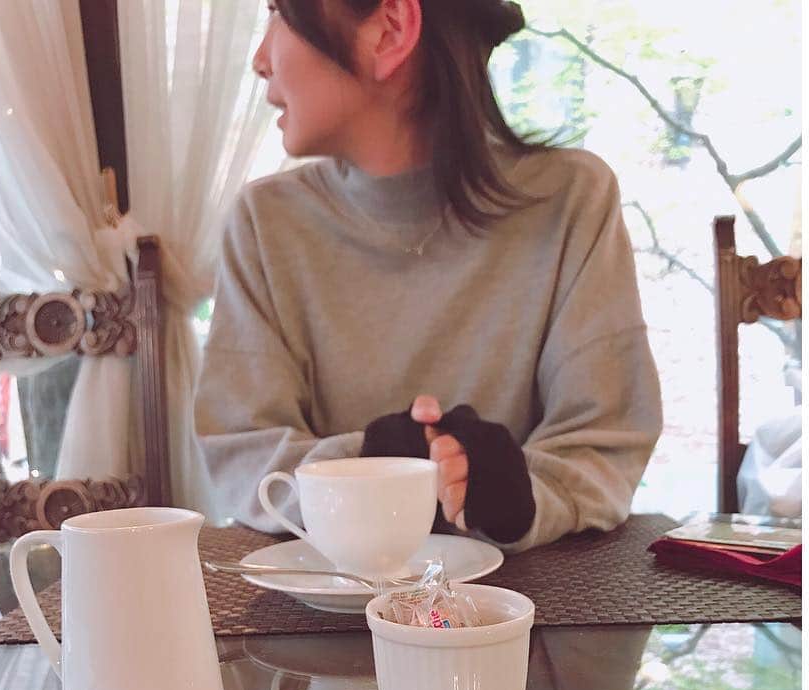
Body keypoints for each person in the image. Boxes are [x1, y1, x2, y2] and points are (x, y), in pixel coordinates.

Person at [195, 0, 663, 553]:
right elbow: (244, 456)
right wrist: (369, 468)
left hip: (536, 600)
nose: (259, 58)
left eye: (279, 10)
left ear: (390, 30)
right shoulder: (265, 222)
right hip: (332, 594)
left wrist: (515, 495)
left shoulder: (571, 201)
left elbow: (604, 447)